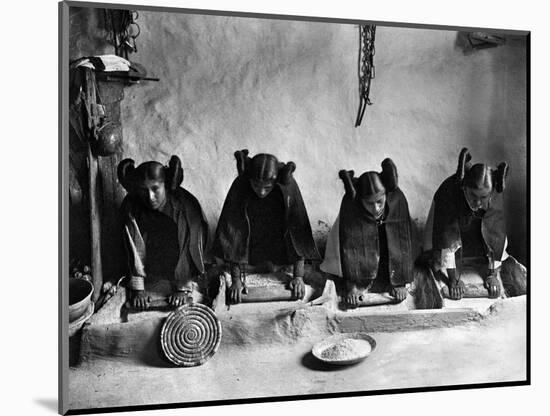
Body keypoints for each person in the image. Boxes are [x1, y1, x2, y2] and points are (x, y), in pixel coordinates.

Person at [212, 150, 320, 304]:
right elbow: (233, 234)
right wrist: (236, 280)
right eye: (256, 186)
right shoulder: (240, 186)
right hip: (250, 249)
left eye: (267, 187)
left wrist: (298, 276)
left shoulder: (287, 187)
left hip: (279, 251)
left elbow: (297, 236)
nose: (261, 192)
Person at [117, 155, 208, 310]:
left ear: (165, 184)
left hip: (178, 262)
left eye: (155, 189)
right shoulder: (131, 206)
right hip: (151, 265)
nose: (150, 197)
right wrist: (138, 289)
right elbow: (134, 246)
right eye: (143, 190)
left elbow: (189, 245)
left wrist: (181, 289)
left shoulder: (185, 207)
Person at [321, 159, 414, 307]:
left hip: (386, 261)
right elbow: (348, 250)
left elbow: (402, 243)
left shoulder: (397, 200)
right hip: (362, 262)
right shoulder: (351, 207)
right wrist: (352, 287)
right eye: (369, 203)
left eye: (379, 202)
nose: (376, 208)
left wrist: (400, 282)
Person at [423, 148, 510, 300]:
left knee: (491, 236)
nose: (477, 202)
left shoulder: (495, 193)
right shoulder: (449, 192)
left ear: (491, 193)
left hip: (474, 225)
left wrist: (492, 274)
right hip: (451, 222)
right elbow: (447, 239)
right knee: (435, 256)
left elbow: (497, 236)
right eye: (473, 195)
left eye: (483, 197)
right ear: (465, 187)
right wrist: (454, 279)